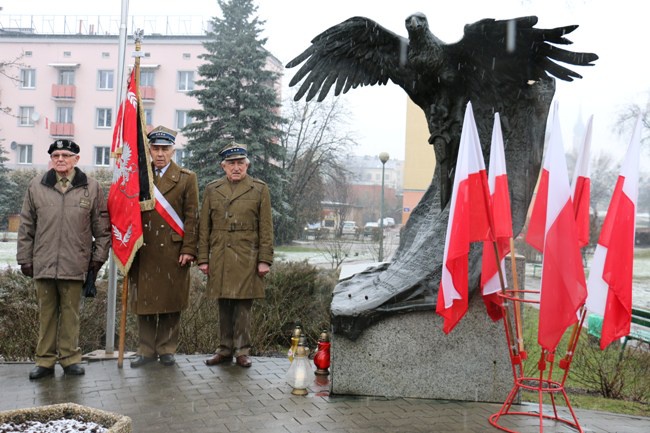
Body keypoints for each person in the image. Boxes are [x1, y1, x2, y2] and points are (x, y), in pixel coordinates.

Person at [16, 139, 111, 380]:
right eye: (56, 155)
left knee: (71, 315)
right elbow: (26, 226)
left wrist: (97, 260)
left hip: (75, 263)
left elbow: (102, 230)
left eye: (66, 155)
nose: (60, 159)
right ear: (51, 158)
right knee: (46, 315)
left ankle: (70, 359)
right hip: (43, 263)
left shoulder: (92, 187)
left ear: (76, 159)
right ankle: (44, 361)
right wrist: (24, 258)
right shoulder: (36, 186)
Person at [128, 125, 199, 368]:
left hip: (173, 250)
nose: (160, 153)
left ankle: (167, 349)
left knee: (171, 302)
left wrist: (189, 249)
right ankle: (146, 350)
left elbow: (191, 217)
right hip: (144, 249)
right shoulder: (138, 176)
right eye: (156, 148)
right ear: (149, 150)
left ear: (173, 151)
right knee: (145, 304)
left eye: (165, 149)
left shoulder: (187, 179)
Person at [199, 142, 273, 368]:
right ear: (223, 166)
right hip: (220, 253)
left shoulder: (260, 189)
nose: (236, 167)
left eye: (240, 163)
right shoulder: (212, 189)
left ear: (247, 165)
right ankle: (224, 349)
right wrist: (203, 258)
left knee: (243, 306)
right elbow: (204, 226)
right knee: (224, 305)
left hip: (246, 255)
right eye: (231, 163)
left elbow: (266, 227)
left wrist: (264, 259)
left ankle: (242, 350)